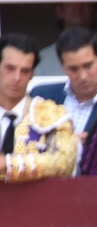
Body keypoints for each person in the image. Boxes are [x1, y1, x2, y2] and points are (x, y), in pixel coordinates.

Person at [30, 28, 97, 144]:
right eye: (74, 69)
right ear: (63, 66)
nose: (83, 76)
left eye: (88, 65)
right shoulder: (41, 97)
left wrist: (94, 147)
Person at [2, 33, 78, 184]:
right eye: (10, 68)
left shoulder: (53, 115)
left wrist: (9, 165)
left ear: (32, 74)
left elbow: (64, 162)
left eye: (25, 71)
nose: (17, 78)